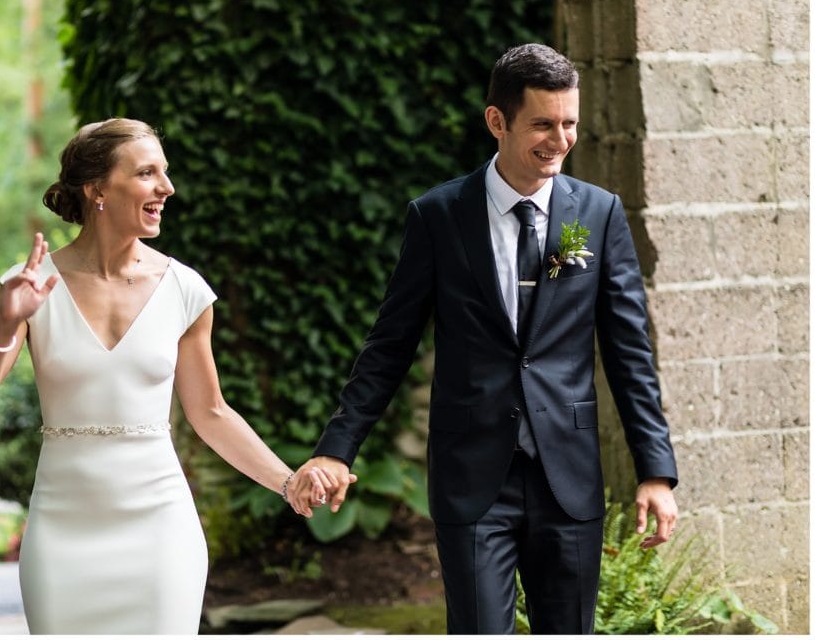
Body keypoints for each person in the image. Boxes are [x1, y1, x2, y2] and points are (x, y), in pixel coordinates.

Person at [289, 44, 679, 634]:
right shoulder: (439, 216)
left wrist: (656, 470)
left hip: (567, 477)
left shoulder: (596, 214)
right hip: (472, 480)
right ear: (497, 121)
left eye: (570, 122)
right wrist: (337, 448)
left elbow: (629, 352)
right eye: (543, 124)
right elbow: (390, 344)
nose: (561, 139)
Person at [0, 118, 339, 634]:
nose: (167, 187)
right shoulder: (30, 287)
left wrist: (287, 481)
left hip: (160, 528)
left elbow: (211, 412)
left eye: (165, 172)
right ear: (97, 190)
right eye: (147, 173)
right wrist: (3, 323)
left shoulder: (185, 290)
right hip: (62, 529)